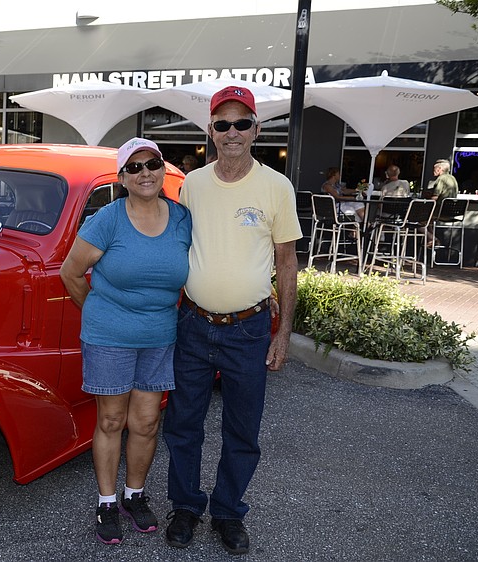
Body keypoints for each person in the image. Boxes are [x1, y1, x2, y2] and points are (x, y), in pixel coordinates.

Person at [163, 85, 301, 555]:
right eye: (223, 124)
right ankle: (184, 507)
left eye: (242, 123)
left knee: (242, 429)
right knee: (183, 424)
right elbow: (177, 247)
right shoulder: (193, 185)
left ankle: (227, 513)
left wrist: (282, 335)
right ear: (211, 132)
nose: (232, 132)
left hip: (249, 328)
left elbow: (286, 262)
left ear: (256, 130)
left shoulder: (275, 186)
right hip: (194, 324)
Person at [60, 137, 192, 545]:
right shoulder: (108, 219)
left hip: (160, 337)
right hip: (109, 337)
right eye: (133, 168)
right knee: (112, 420)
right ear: (121, 178)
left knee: (147, 422)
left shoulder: (184, 219)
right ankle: (105, 501)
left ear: (162, 168)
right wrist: (102, 315)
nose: (144, 173)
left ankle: (134, 496)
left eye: (151, 164)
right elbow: (70, 272)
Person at [425, 159, 459, 246]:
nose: (433, 171)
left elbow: (435, 197)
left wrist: (426, 199)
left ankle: (432, 238)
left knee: (422, 217)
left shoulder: (441, 179)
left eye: (434, 169)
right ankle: (431, 239)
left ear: (440, 169)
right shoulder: (453, 178)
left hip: (441, 211)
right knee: (429, 218)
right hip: (452, 212)